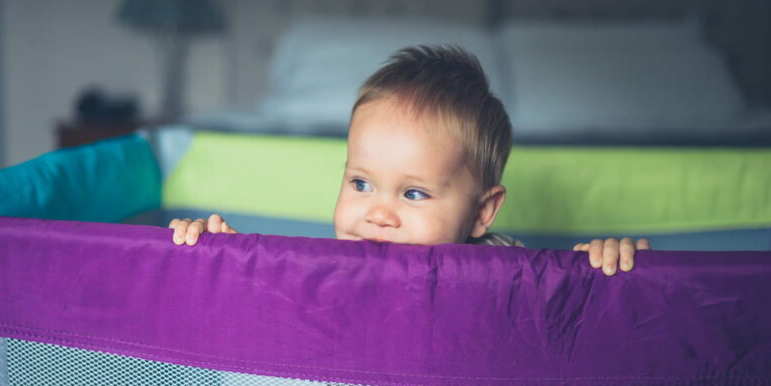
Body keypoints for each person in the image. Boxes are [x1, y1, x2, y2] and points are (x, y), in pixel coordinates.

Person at [170, 45, 650, 276]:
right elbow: (270, 292)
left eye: (414, 192)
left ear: (482, 212)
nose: (377, 214)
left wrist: (602, 268)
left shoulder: (509, 269)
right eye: (360, 184)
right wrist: (226, 255)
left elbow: (567, 316)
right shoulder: (330, 266)